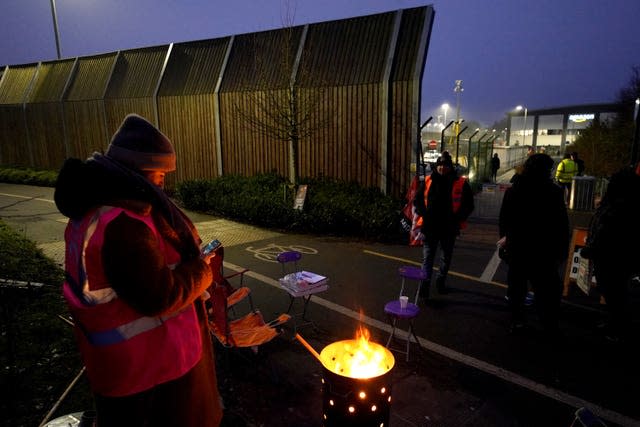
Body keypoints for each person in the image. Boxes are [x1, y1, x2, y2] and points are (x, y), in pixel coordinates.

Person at [54, 114, 223, 426]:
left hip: (122, 367)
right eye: (159, 174)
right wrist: (201, 270)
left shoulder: (96, 208)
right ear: (138, 171)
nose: (163, 182)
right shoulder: (124, 224)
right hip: (152, 373)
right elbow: (160, 295)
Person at [498, 153, 570, 339]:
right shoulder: (553, 192)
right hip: (544, 252)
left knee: (517, 289)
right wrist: (561, 250)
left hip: (519, 249)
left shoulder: (514, 191)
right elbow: (561, 225)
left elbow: (504, 222)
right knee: (547, 292)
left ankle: (517, 321)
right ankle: (549, 325)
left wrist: (506, 243)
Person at [580, 161, 640, 342]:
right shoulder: (625, 204)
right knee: (614, 291)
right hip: (616, 257)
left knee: (614, 291)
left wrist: (591, 248)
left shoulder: (619, 206)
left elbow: (606, 232)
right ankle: (616, 322)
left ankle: (620, 327)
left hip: (611, 257)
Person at [413, 153, 474, 301]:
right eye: (440, 165)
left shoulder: (460, 183)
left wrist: (458, 218)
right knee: (427, 258)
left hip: (449, 228)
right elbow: (418, 200)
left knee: (446, 257)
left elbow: (469, 205)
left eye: (445, 165)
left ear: (450, 166)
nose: (442, 168)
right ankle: (425, 286)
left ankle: (440, 282)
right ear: (436, 166)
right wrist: (423, 215)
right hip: (430, 227)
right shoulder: (428, 180)